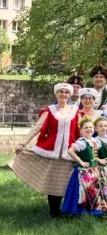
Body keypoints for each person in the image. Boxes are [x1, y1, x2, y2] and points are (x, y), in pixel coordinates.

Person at [11, 83, 80, 216]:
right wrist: (23, 144)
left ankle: (67, 210)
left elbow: (81, 131)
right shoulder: (50, 110)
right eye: (61, 92)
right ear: (56, 94)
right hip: (52, 153)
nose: (63, 95)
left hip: (69, 154)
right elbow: (37, 128)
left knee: (66, 184)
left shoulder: (75, 111)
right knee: (52, 184)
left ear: (69, 95)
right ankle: (54, 213)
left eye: (66, 92)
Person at [62, 117, 107, 215]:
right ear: (81, 130)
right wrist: (80, 161)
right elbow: (70, 151)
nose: (89, 129)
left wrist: (99, 160)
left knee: (94, 191)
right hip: (84, 172)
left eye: (90, 127)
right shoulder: (81, 142)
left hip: (94, 171)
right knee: (83, 191)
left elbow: (93, 155)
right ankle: (81, 211)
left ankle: (94, 210)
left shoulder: (94, 141)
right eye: (85, 128)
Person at [93, 116, 107, 212]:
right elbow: (92, 155)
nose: (103, 128)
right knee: (101, 187)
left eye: (105, 126)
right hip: (100, 168)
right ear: (96, 129)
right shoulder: (96, 141)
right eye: (100, 126)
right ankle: (101, 207)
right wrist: (99, 160)